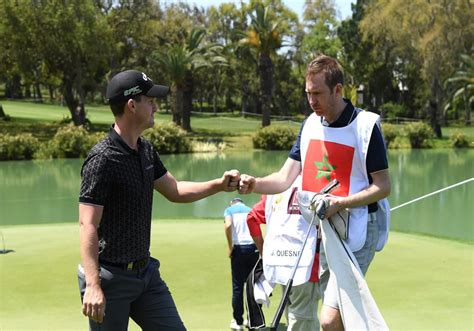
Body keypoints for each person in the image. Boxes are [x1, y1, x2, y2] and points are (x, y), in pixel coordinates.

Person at [78, 69, 240, 331]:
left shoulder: (145, 150)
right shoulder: (102, 159)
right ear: (132, 105)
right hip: (110, 279)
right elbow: (88, 225)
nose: (155, 105)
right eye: (150, 100)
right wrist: (94, 285)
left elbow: (174, 190)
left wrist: (219, 185)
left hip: (146, 274)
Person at [238, 54, 391, 331]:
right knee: (337, 318)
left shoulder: (366, 127)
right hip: (322, 231)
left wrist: (340, 203)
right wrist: (256, 183)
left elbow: (383, 186)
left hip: (357, 232)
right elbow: (285, 178)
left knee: (330, 320)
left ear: (338, 90)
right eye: (308, 94)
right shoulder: (309, 125)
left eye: (317, 93)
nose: (311, 101)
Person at [246, 176, 321, 331]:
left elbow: (252, 218)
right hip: (307, 265)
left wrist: (264, 252)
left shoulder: (276, 186)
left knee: (291, 310)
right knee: (302, 317)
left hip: (280, 261)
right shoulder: (317, 183)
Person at [224, 197, 259, 330]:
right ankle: (253, 321)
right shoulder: (250, 210)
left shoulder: (229, 210)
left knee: (238, 287)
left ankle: (238, 322)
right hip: (253, 249)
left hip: (238, 249)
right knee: (252, 286)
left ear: (232, 203)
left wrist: (229, 246)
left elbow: (227, 225)